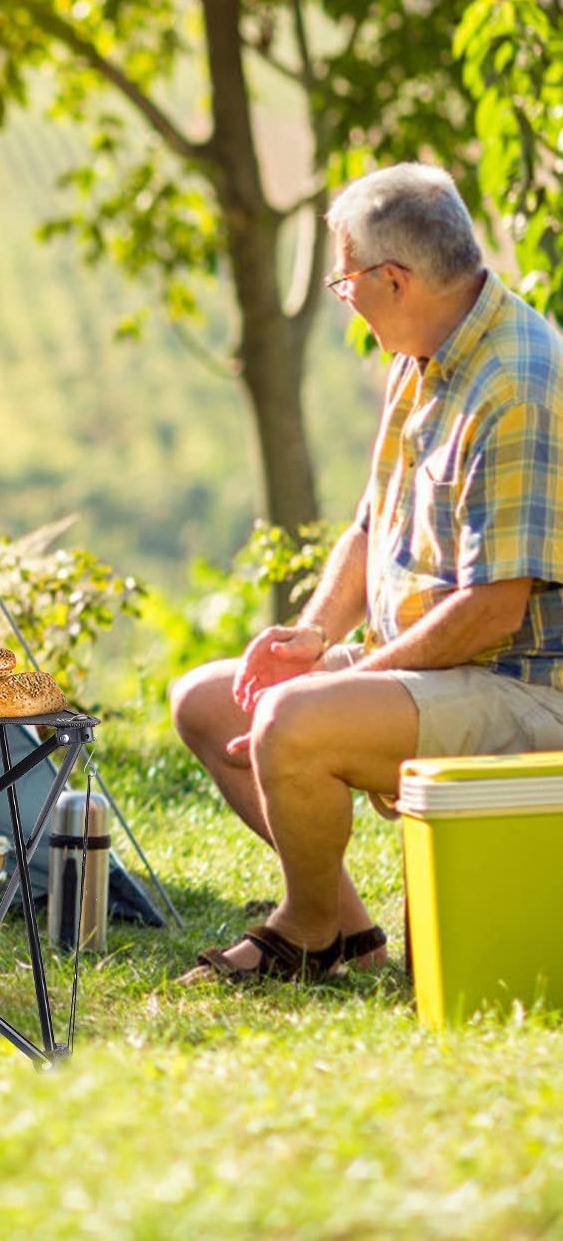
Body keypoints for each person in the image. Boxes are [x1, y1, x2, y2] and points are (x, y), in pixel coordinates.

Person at [171, 162, 563, 984]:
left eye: (346, 282)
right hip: (443, 664)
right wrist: (312, 640)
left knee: (291, 720)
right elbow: (367, 528)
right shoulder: (421, 355)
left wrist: (344, 692)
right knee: (207, 701)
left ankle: (306, 931)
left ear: (396, 279)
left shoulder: (519, 383)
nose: (343, 297)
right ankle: (346, 927)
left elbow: (493, 610)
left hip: (526, 687)